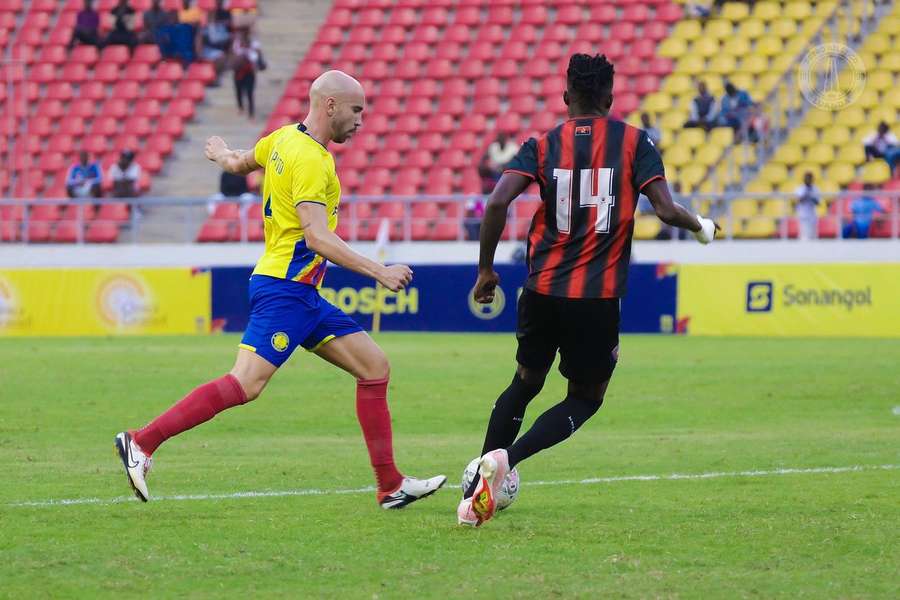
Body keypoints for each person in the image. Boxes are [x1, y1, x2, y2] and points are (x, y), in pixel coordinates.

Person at [115, 70, 446, 509]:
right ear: (330, 105)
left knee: (373, 366)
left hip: (301, 293)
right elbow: (317, 237)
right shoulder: (312, 158)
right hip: (284, 288)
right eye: (356, 109)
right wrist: (378, 271)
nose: (361, 120)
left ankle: (390, 485)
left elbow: (239, 163)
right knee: (246, 384)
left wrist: (219, 154)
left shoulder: (281, 138)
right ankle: (141, 441)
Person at [456, 53, 718, 527]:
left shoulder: (541, 144)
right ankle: (506, 461)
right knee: (585, 397)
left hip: (541, 290)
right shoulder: (635, 143)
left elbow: (496, 202)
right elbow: (666, 210)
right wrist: (704, 226)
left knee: (525, 382)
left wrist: (485, 270)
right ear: (610, 99)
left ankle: (480, 479)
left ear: (565, 98)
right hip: (596, 298)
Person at [232, 28, 263, 119]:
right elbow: (234, 56)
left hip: (249, 72)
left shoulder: (254, 45)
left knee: (250, 92)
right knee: (238, 90)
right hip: (239, 71)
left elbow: (256, 58)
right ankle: (240, 107)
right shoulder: (237, 44)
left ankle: (251, 113)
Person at [200, 6, 232, 84]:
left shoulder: (219, 26)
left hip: (217, 50)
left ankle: (216, 77)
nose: (211, 16)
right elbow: (211, 39)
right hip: (206, 50)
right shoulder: (203, 27)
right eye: (209, 14)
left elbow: (225, 37)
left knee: (223, 56)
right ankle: (210, 78)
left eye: (212, 14)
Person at [794, 171, 820, 240]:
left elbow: (817, 202)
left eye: (809, 178)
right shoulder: (800, 189)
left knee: (813, 236)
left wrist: (811, 196)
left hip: (812, 215)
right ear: (804, 179)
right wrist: (806, 193)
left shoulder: (815, 189)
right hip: (803, 216)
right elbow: (799, 200)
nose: (808, 180)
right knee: (804, 237)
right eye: (807, 178)